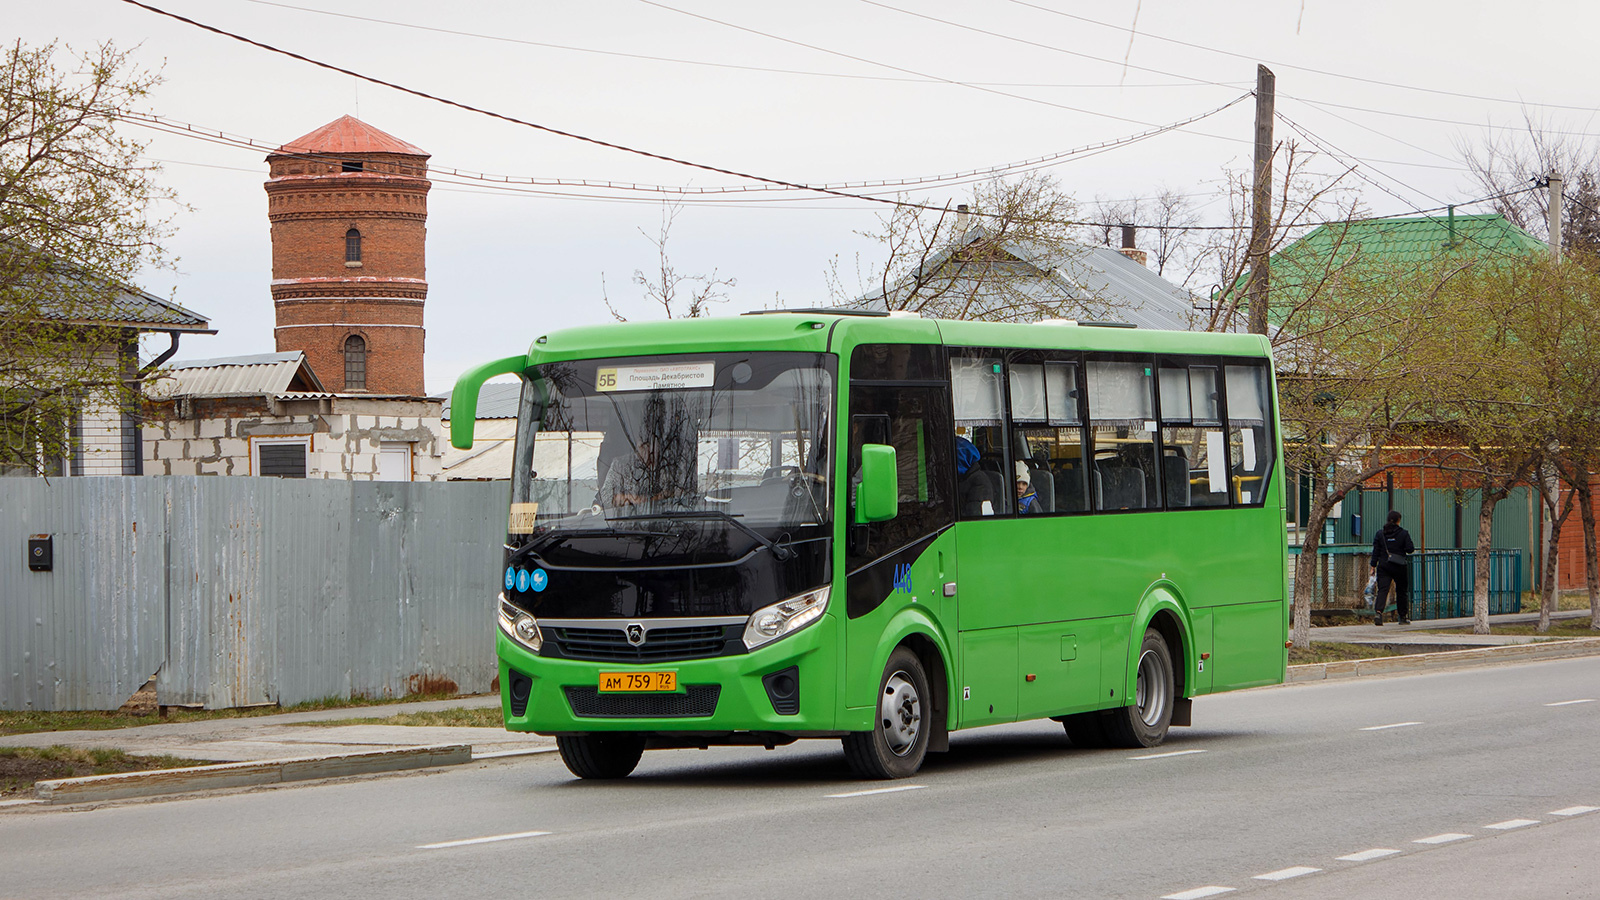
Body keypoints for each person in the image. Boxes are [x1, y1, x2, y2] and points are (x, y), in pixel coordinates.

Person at [1370, 510, 1416, 625]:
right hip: (1399, 566)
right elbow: (1410, 549)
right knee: (1401, 591)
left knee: (1383, 590)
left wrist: (1372, 566)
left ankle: (1379, 613)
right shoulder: (1404, 533)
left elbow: (1375, 551)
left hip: (1384, 566)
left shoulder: (1380, 534)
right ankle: (1402, 616)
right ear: (1398, 520)